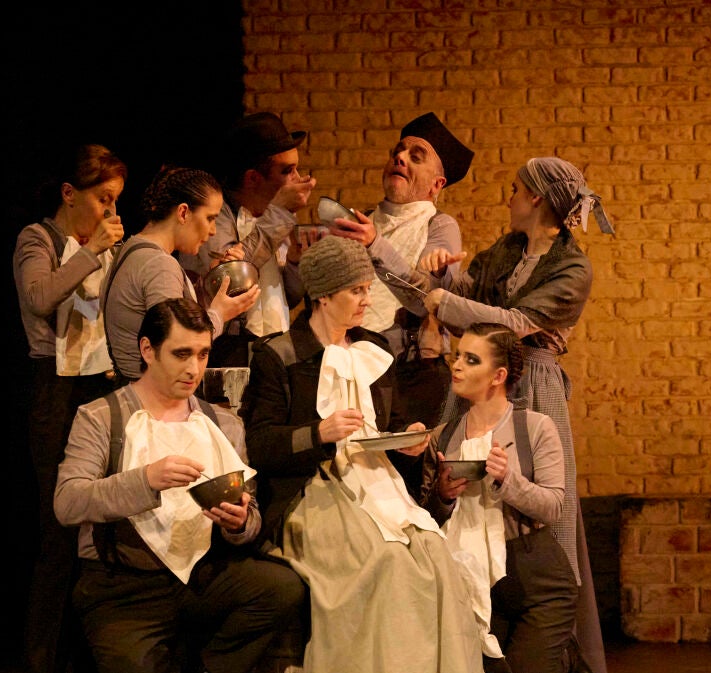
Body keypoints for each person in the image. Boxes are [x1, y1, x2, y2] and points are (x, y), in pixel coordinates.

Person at [343, 156, 614, 673]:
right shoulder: (505, 251)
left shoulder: (572, 268)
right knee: (458, 490)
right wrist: (382, 249)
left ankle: (552, 646)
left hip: (532, 385)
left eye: (515, 189)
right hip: (481, 378)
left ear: (536, 198)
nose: (508, 197)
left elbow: (513, 323)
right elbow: (435, 300)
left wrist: (446, 299)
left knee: (535, 505)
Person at [238, 235, 484, 673]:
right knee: (384, 561)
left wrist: (409, 440)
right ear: (322, 295)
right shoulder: (279, 355)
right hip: (314, 492)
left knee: (436, 554)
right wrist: (318, 433)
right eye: (356, 290)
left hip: (379, 486)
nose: (367, 300)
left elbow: (390, 427)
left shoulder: (375, 350)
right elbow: (259, 445)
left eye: (368, 289)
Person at [54, 297, 305, 673]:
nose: (194, 368)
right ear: (148, 350)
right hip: (123, 585)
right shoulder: (102, 416)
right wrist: (145, 479)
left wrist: (239, 523)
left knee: (281, 587)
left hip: (199, 576)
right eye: (181, 354)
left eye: (203, 354)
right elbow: (68, 502)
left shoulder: (222, 422)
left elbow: (249, 511)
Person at [293, 111, 473, 494]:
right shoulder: (363, 220)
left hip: (410, 375)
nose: (401, 158)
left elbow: (425, 301)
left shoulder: (440, 227)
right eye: (398, 152)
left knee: (406, 484)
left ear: (437, 184)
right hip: (355, 369)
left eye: (416, 156)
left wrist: (375, 245)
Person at [12, 142, 127, 673]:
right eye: (103, 198)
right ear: (68, 194)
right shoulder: (37, 238)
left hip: (98, 385)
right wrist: (91, 251)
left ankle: (92, 653)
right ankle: (42, 660)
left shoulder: (103, 247)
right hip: (54, 390)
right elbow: (39, 297)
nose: (109, 211)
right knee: (60, 528)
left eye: (115, 200)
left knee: (99, 525)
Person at [422, 322, 574, 673]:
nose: (457, 365)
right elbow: (427, 517)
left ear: (498, 375)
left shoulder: (534, 426)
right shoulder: (444, 436)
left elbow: (553, 507)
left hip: (536, 579)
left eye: (471, 359)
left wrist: (508, 479)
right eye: (458, 356)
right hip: (473, 582)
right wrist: (443, 495)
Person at [177, 112, 316, 368]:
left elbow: (287, 298)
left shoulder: (271, 216)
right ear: (253, 178)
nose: (299, 179)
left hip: (271, 348)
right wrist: (280, 213)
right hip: (225, 353)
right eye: (288, 171)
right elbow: (232, 281)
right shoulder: (216, 216)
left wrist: (295, 262)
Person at [102, 165, 259, 382]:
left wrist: (209, 286)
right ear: (183, 212)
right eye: (210, 218)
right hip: (150, 394)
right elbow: (180, 344)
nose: (213, 230)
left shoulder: (130, 250)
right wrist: (220, 314)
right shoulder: (159, 264)